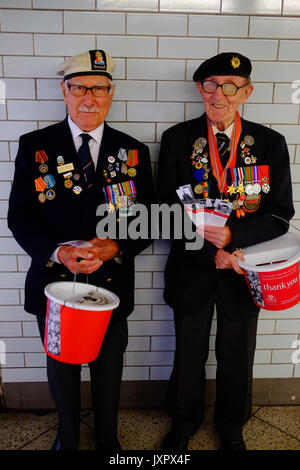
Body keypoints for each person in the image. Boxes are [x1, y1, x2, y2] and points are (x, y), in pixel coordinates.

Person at [8, 49, 154, 451]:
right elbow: (19, 217)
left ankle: (109, 439)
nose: (89, 98)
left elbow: (150, 218)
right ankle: (67, 437)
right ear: (64, 91)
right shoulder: (35, 145)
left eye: (100, 88)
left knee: (109, 369)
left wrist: (117, 246)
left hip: (112, 281)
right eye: (79, 88)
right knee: (61, 368)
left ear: (111, 94)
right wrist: (58, 252)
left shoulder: (134, 151)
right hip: (55, 282)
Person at [156, 52, 294, 451]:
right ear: (200, 89)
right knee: (189, 351)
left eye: (230, 86)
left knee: (238, 353)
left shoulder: (270, 143)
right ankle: (183, 423)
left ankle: (232, 427)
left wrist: (234, 239)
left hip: (243, 268)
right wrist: (209, 253)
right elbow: (165, 212)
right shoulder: (178, 140)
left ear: (246, 92)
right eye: (211, 85)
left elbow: (280, 214)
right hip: (193, 267)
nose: (220, 94)